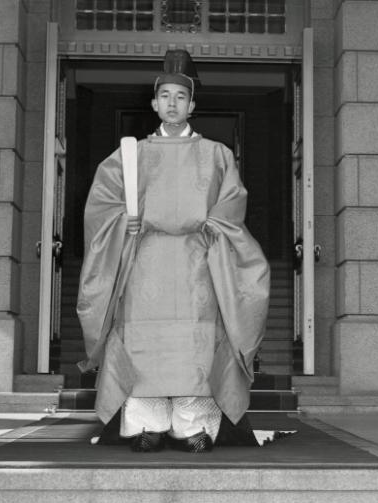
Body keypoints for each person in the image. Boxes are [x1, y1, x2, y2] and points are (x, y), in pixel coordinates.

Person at [76, 50, 270, 453]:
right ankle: (147, 425)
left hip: (196, 262)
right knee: (143, 347)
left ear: (192, 105)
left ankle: (192, 425)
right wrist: (120, 222)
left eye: (180, 97)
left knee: (194, 348)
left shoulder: (216, 155)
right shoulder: (131, 156)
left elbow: (231, 203)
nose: (172, 104)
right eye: (165, 96)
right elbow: (102, 206)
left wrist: (212, 224)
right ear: (154, 103)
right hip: (145, 260)